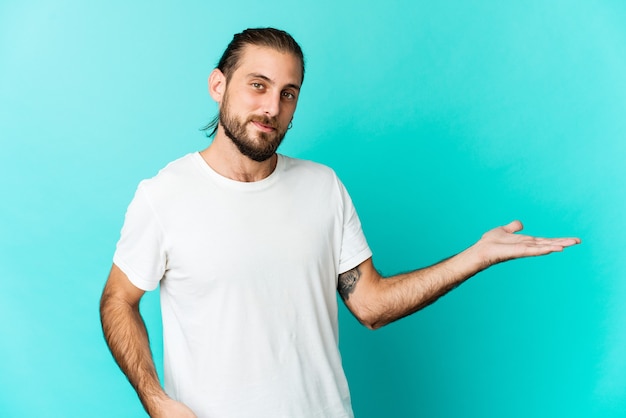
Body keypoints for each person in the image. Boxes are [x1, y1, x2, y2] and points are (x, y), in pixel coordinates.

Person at [99, 28, 580, 418]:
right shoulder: (164, 196)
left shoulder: (322, 187)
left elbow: (371, 304)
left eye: (288, 94)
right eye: (257, 85)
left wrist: (475, 256)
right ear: (218, 85)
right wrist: (156, 400)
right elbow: (119, 299)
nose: (271, 108)